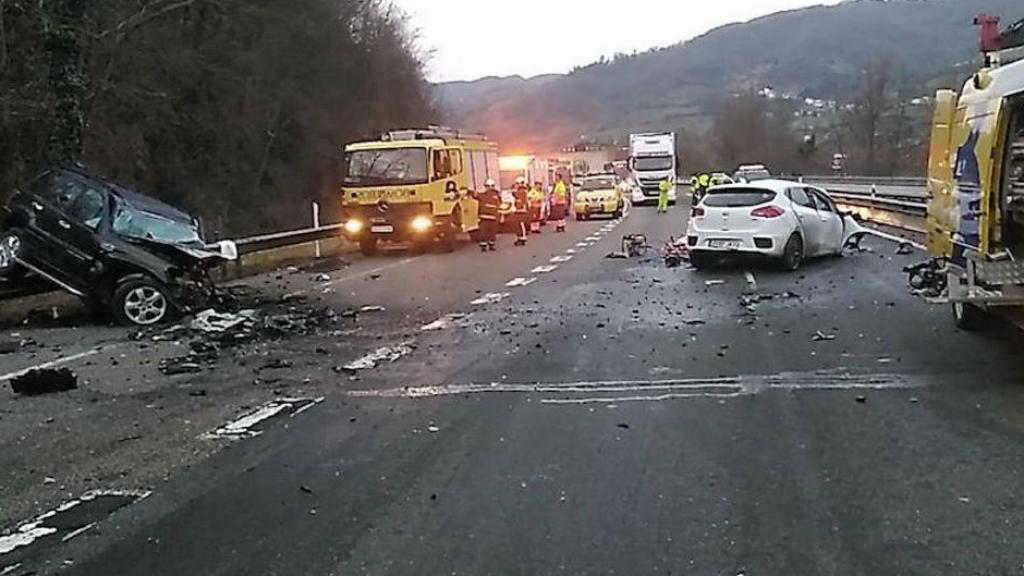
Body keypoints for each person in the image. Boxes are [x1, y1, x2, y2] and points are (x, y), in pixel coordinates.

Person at [472, 179, 501, 251]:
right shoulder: (497, 195)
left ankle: (484, 246)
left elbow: (474, 195)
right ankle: (490, 245)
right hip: (492, 217)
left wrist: (468, 191)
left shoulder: (483, 195)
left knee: (484, 232)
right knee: (491, 232)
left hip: (485, 217)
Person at [512, 176, 529, 246]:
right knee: (517, 225)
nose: (517, 185)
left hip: (521, 210)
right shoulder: (521, 191)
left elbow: (515, 194)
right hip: (518, 210)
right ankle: (519, 237)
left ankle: (522, 237)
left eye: (518, 183)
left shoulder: (523, 191)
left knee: (521, 224)